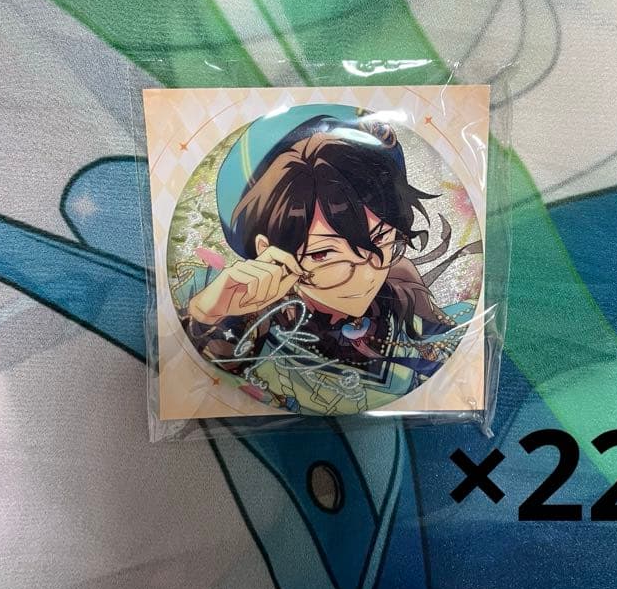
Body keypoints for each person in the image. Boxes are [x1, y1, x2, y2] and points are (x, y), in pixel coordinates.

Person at [175, 108, 479, 414]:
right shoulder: (232, 304)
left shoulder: (407, 298)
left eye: (381, 239)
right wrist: (209, 316)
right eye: (324, 254)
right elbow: (199, 372)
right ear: (267, 251)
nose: (367, 275)